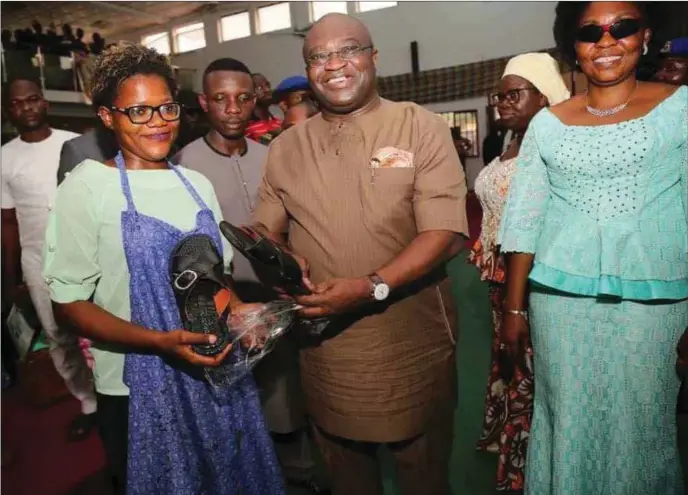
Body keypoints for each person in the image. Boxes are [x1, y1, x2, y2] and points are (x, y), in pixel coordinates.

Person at [42, 44, 284, 495]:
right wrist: (160, 342)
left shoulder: (196, 184)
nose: (157, 121)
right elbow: (68, 305)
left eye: (165, 107)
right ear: (107, 117)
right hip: (135, 387)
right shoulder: (89, 187)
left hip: (211, 370)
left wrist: (240, 312)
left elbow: (216, 278)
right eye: (138, 110)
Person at [253, 13, 468, 495]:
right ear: (308, 71)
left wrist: (371, 286)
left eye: (348, 50)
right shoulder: (285, 148)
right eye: (318, 57)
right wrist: (279, 259)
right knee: (345, 470)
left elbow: (446, 232)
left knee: (423, 472)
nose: (334, 65)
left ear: (373, 57)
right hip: (327, 349)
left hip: (410, 341)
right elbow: (266, 230)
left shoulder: (420, 126)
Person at [499, 2, 687, 494]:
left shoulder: (680, 107)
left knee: (642, 432)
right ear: (572, 45)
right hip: (560, 305)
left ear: (644, 36)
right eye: (590, 32)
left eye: (621, 27)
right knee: (569, 423)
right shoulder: (547, 123)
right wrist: (514, 309)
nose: (606, 41)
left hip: (655, 304)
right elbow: (524, 218)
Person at [175, 57, 327, 494]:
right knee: (234, 408)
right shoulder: (184, 165)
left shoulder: (272, 154)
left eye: (243, 98)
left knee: (290, 401)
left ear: (256, 100)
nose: (233, 109)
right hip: (223, 306)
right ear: (204, 103)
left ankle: (300, 476)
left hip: (280, 296)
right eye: (221, 99)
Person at [468, 52, 570, 493]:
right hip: (503, 288)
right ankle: (521, 468)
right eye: (500, 94)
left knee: (539, 382)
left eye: (515, 93)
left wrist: (518, 303)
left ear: (545, 96)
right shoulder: (511, 139)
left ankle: (545, 471)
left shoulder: (559, 141)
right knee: (518, 378)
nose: (503, 102)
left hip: (533, 287)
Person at [1, 78, 98, 442]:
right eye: (17, 103)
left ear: (44, 102)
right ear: (8, 111)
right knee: (59, 337)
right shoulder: (4, 158)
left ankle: (118, 397)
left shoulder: (74, 144)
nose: (26, 108)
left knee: (100, 331)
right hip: (37, 261)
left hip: (87, 255)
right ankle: (89, 403)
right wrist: (12, 280)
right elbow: (7, 223)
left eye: (32, 100)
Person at [246, 73, 282, 145]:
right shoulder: (247, 127)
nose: (267, 90)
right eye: (259, 87)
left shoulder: (279, 123)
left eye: (267, 85)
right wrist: (275, 134)